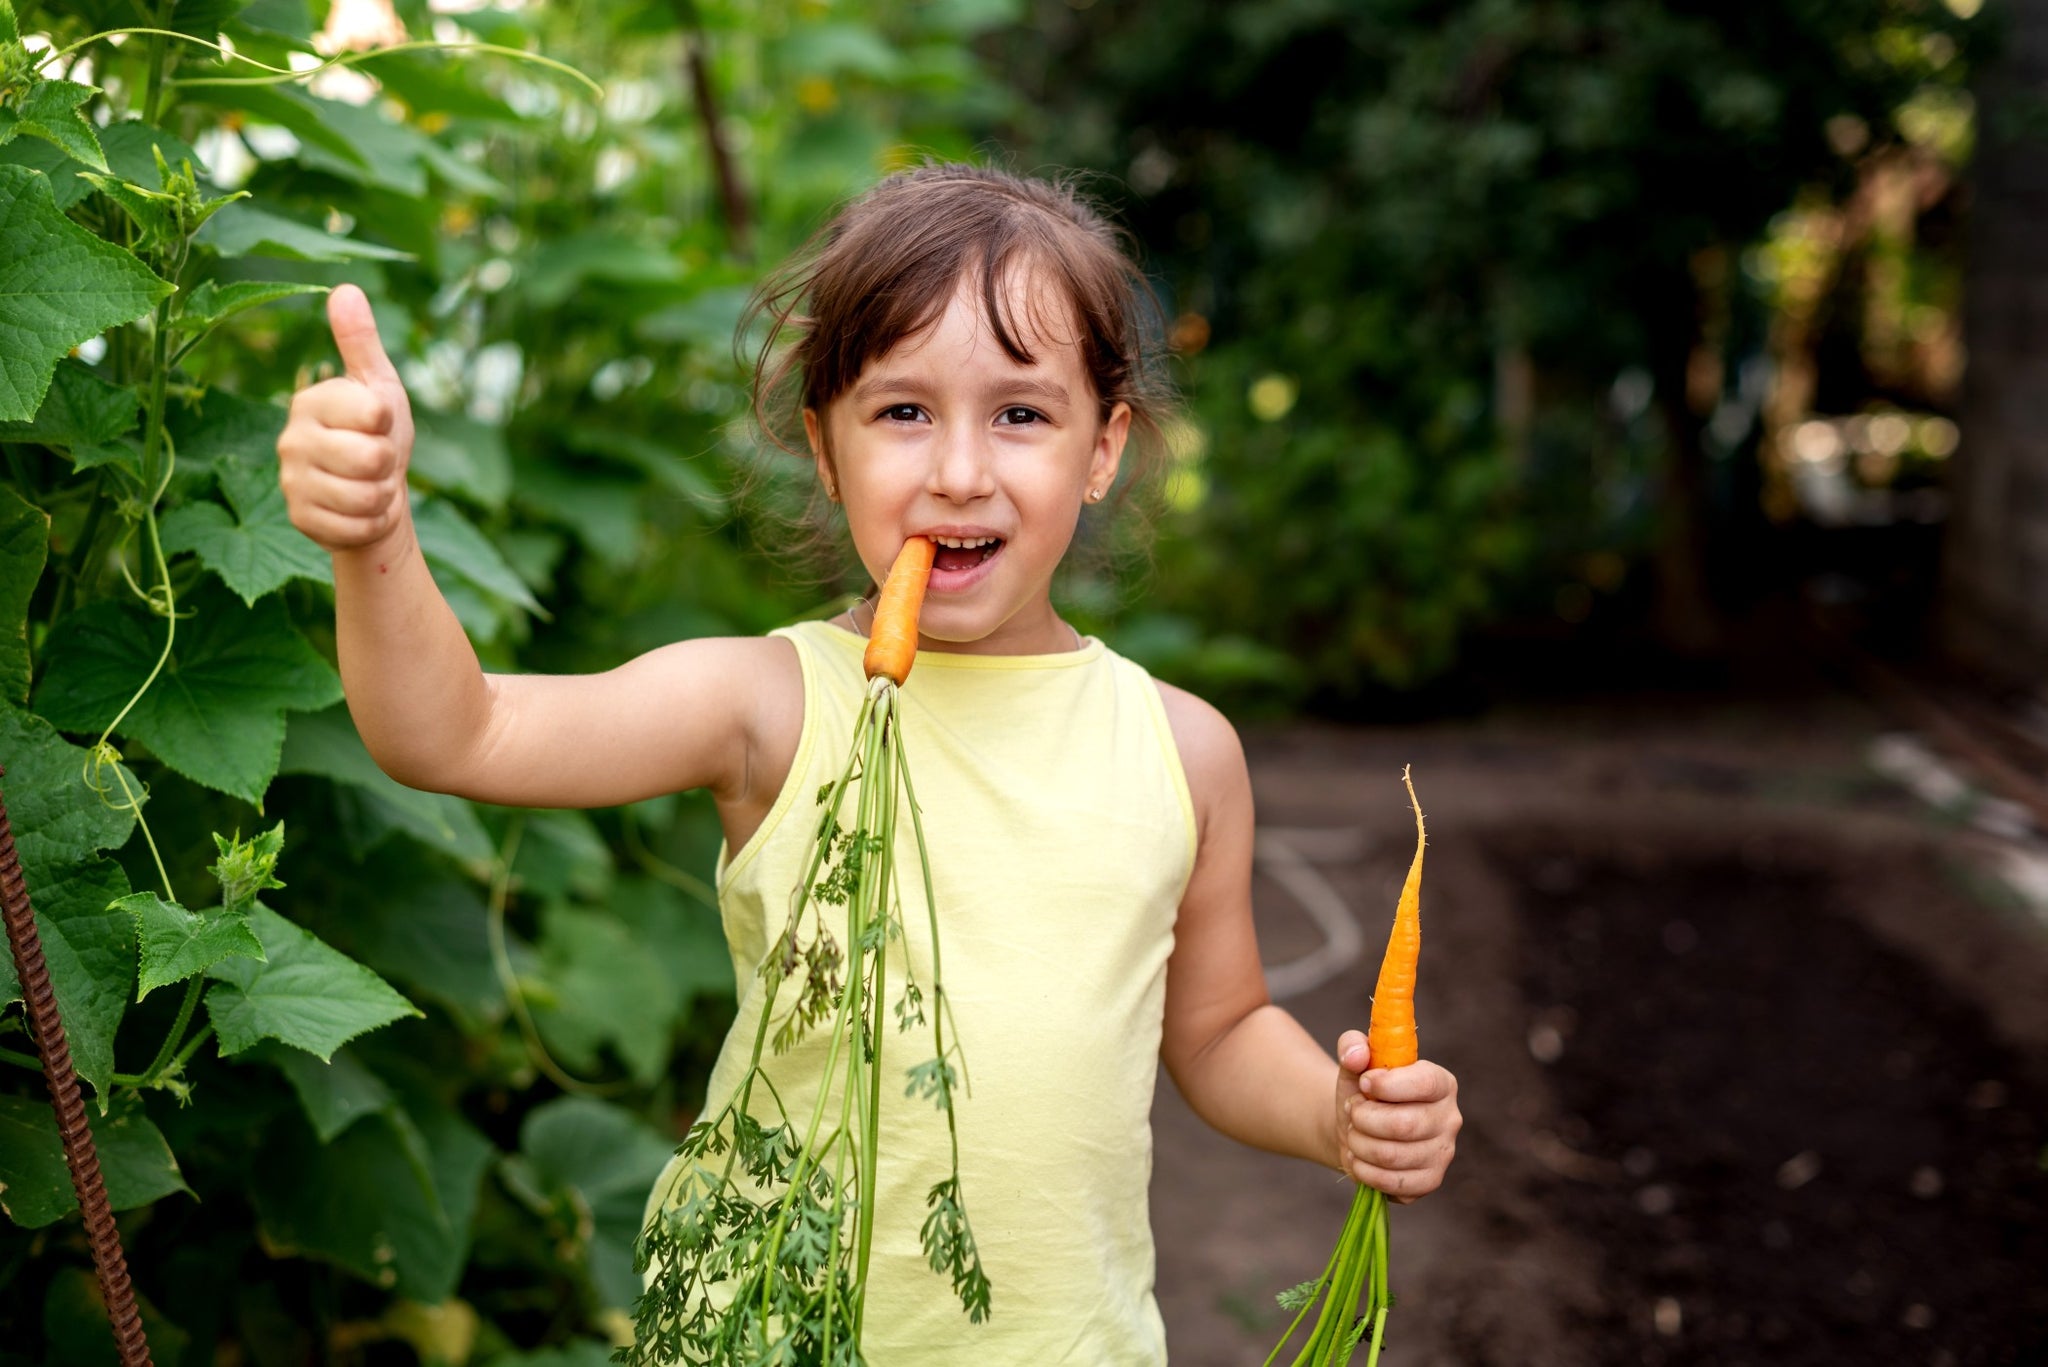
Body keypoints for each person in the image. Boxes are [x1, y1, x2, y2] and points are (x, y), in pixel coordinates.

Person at [277, 162, 1462, 1363]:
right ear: (823, 447)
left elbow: (1214, 1032)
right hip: (766, 1335)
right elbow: (453, 732)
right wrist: (372, 534)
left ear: (1101, 449)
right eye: (902, 412)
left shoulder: (1182, 747)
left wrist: (1336, 1113)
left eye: (1019, 414)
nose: (957, 470)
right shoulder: (768, 704)